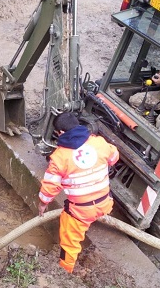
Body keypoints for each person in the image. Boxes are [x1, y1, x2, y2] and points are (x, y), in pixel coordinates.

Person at [38, 112, 119, 274]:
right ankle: (96, 216)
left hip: (81, 211)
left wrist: (42, 204)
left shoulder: (59, 157)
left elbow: (50, 187)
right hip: (105, 203)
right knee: (93, 207)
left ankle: (65, 272)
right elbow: (114, 157)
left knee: (69, 241)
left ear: (60, 133)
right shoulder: (99, 143)